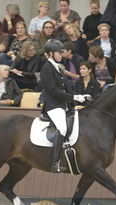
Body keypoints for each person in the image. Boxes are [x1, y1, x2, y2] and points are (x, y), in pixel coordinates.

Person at [40, 39, 90, 172]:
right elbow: (54, 91)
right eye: (59, 53)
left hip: (63, 105)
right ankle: (55, 163)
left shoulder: (58, 68)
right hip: (53, 106)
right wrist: (73, 97)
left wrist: (81, 97)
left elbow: (67, 88)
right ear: (51, 53)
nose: (61, 55)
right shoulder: (46, 68)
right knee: (62, 128)